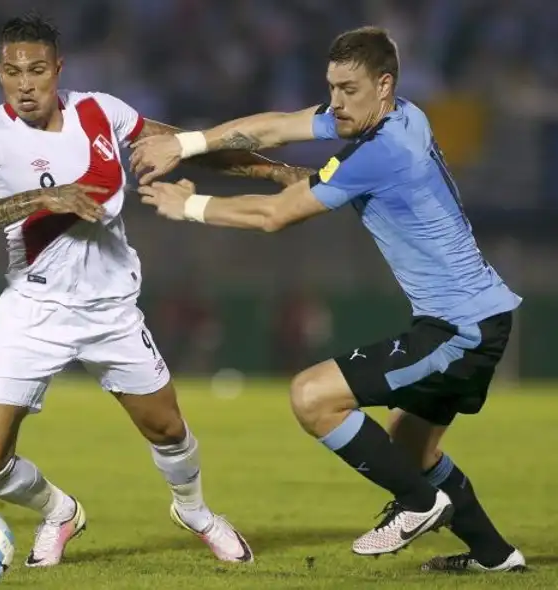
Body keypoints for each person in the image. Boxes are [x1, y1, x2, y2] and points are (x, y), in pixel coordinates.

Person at [131, 26, 526, 573]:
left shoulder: (380, 151)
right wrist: (188, 143)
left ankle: (418, 503)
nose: (336, 102)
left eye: (349, 90)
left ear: (383, 85)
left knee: (313, 397)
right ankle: (495, 556)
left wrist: (192, 206)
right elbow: (274, 126)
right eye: (332, 88)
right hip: (474, 318)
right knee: (412, 449)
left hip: (461, 329)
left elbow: (276, 215)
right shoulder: (405, 114)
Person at [0, 13, 312, 568]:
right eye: (12, 72)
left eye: (37, 70)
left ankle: (195, 511)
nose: (24, 84)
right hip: (32, 311)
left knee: (168, 429)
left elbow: (188, 149)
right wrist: (41, 200)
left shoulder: (101, 113)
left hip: (110, 310)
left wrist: (273, 171)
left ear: (57, 70)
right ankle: (59, 511)